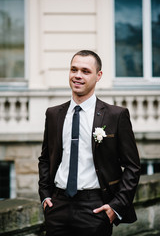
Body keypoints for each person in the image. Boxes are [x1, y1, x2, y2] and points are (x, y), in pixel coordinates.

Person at [38, 50, 141, 236]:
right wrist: (45, 196)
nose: (77, 76)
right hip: (57, 206)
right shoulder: (53, 114)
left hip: (95, 207)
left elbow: (132, 167)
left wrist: (116, 206)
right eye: (73, 69)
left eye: (85, 71)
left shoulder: (116, 115)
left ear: (98, 75)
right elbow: (45, 158)